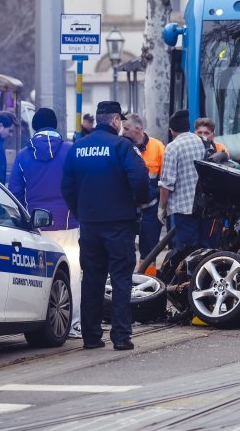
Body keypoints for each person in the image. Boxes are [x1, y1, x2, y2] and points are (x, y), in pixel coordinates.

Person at [61, 101, 149, 351]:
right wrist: (139, 202)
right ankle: (121, 337)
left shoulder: (78, 148)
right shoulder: (122, 146)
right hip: (119, 224)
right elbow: (140, 177)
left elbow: (66, 186)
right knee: (121, 278)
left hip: (89, 224)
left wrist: (81, 212)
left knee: (92, 278)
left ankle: (90, 336)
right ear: (115, 121)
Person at [9, 108, 82, 338]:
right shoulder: (71, 152)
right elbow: (80, 186)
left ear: (34, 127)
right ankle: (73, 324)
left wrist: (23, 221)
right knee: (71, 273)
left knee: (36, 277)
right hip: (68, 225)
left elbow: (14, 194)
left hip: (35, 228)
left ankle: (38, 321)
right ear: (56, 125)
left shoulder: (22, 156)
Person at [158, 109, 218, 251]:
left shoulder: (172, 148)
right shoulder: (201, 142)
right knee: (205, 248)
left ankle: (190, 273)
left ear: (171, 130)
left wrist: (162, 208)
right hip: (204, 206)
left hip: (184, 210)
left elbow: (166, 184)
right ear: (188, 127)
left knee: (187, 250)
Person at [122, 113, 166, 261]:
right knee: (125, 251)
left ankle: (148, 282)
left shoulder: (158, 147)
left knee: (149, 253)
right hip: (127, 208)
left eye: (126, 129)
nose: (123, 132)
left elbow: (165, 178)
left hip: (151, 209)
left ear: (138, 129)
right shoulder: (121, 146)